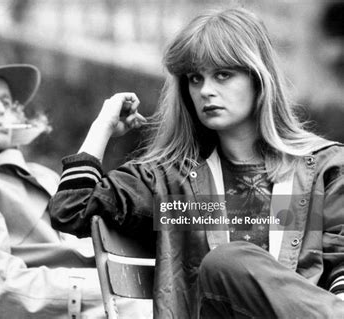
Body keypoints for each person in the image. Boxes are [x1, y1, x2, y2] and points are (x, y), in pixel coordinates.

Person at [48, 8, 344, 318]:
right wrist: (103, 126)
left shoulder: (322, 168)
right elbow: (72, 209)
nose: (205, 91)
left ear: (258, 78)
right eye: (195, 78)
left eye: (223, 74)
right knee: (227, 262)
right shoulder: (171, 186)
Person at [0, 43, 151, 318]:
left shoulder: (41, 174)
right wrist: (121, 291)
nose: (0, 110)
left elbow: (108, 222)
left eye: (6, 102)